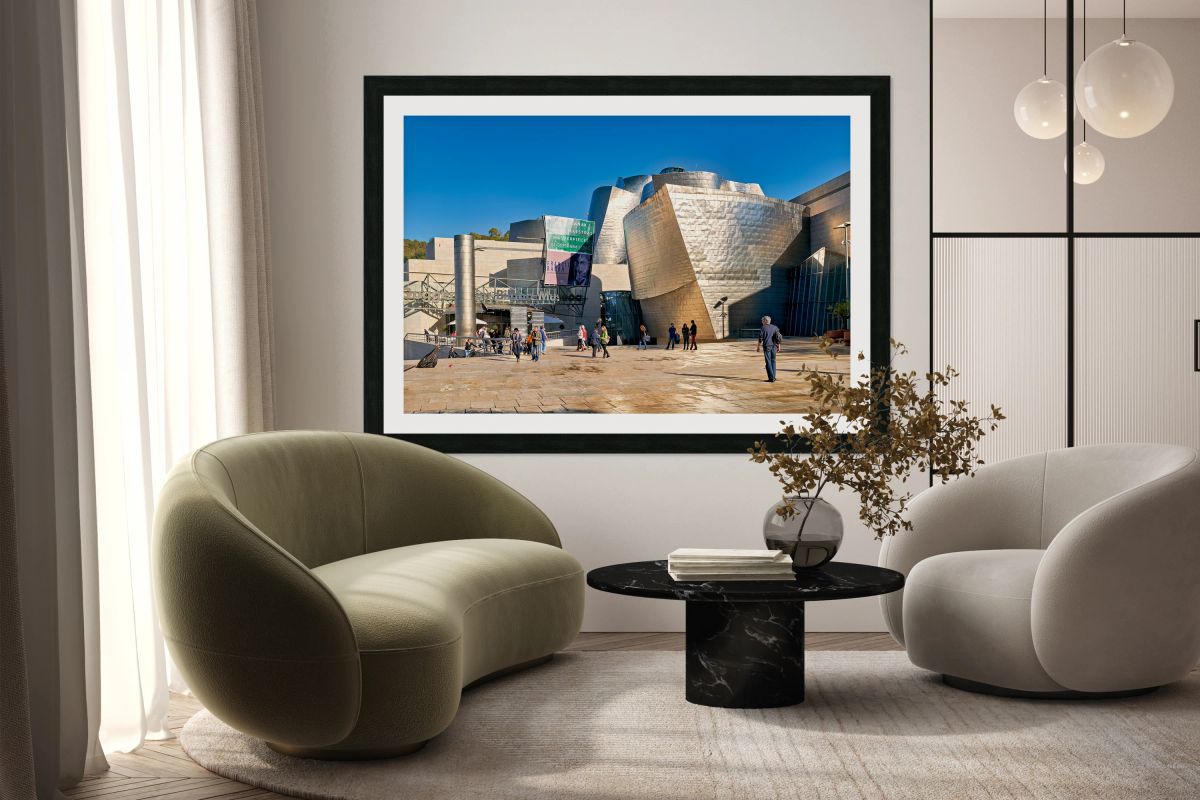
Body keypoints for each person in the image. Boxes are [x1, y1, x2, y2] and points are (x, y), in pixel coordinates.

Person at [756, 314, 783, 382]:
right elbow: (778, 337)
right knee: (773, 361)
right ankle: (773, 376)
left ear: (765, 321)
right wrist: (779, 346)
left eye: (762, 320)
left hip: (767, 346)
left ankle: (771, 378)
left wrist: (758, 346)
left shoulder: (763, 328)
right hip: (774, 346)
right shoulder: (775, 327)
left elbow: (760, 338)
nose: (762, 322)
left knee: (768, 362)